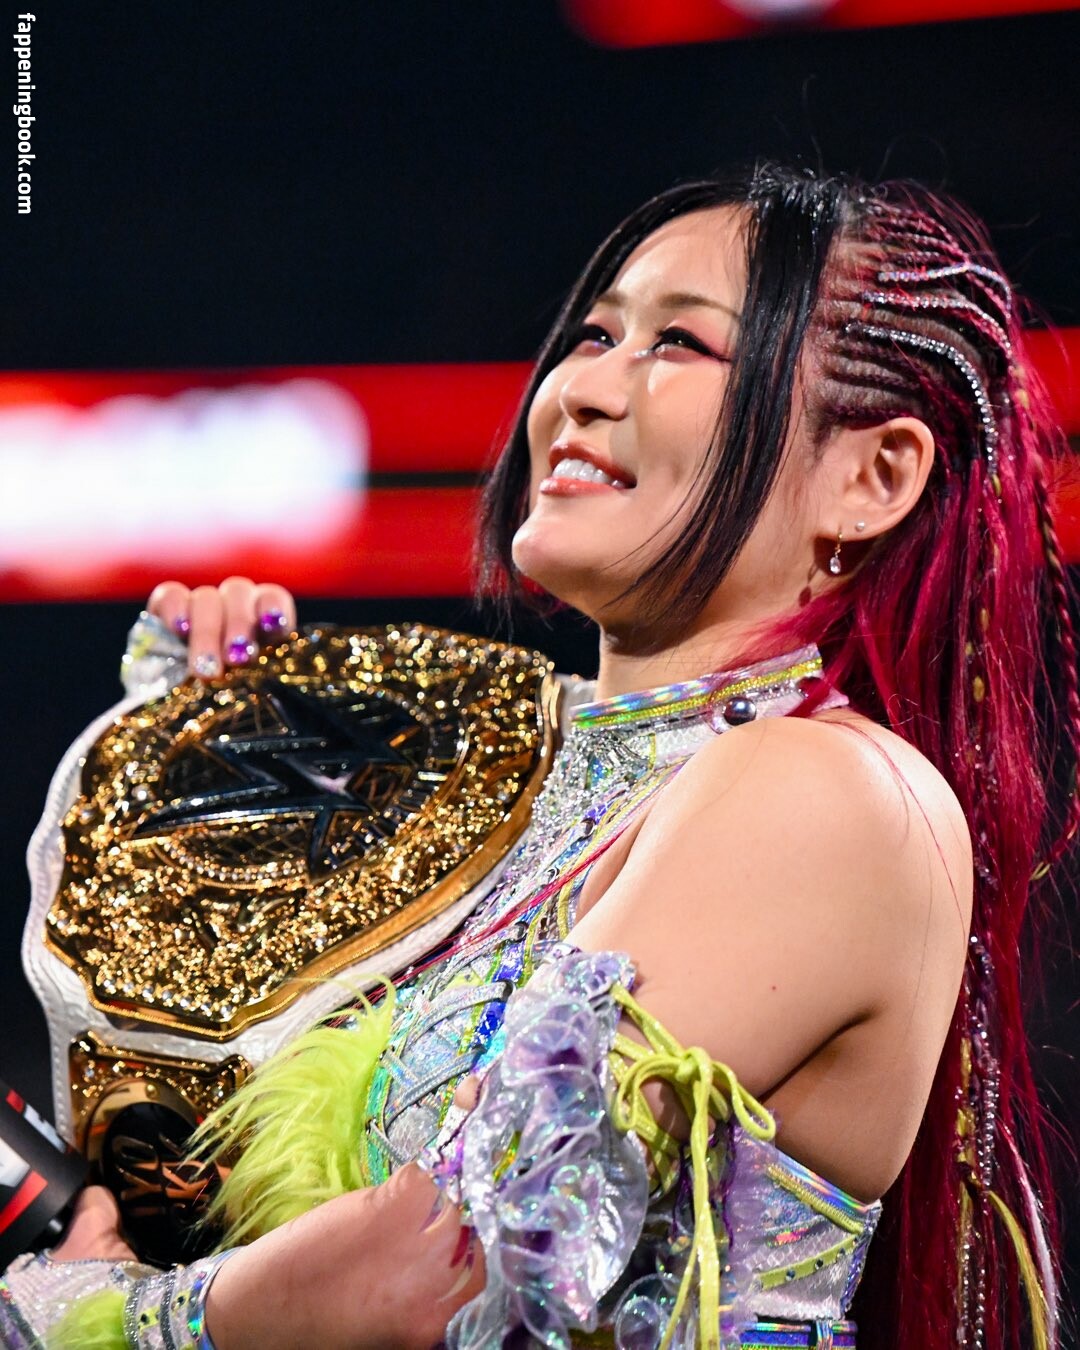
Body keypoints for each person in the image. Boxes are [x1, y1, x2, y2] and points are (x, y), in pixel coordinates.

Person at [0, 163, 1071, 1350]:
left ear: (872, 477)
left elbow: (444, 1271)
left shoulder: (829, 794)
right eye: (596, 334)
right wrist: (213, 770)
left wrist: (88, 1314)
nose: (582, 389)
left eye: (679, 344)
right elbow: (226, 1189)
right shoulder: (494, 772)